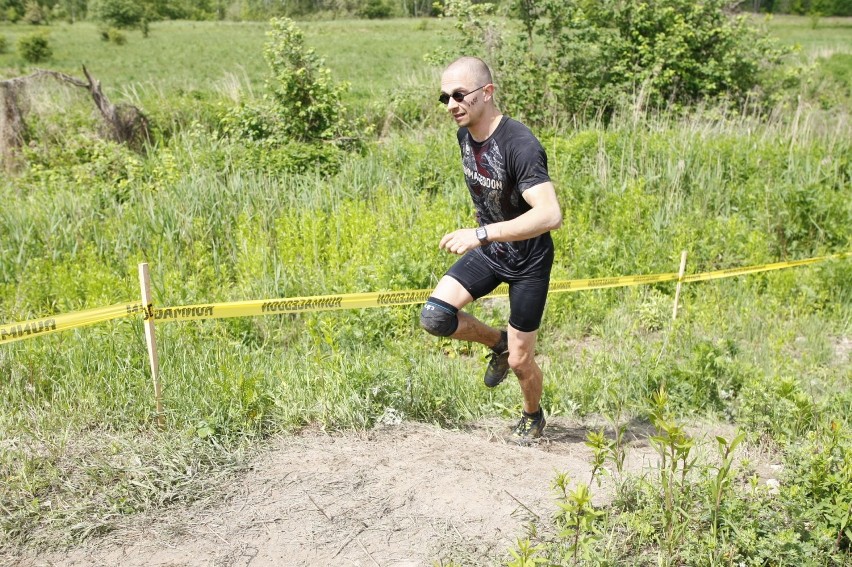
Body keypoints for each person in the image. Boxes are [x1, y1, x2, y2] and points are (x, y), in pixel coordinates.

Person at [420, 56, 562, 441]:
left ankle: (532, 416)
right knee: (435, 317)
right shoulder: (464, 135)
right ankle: (497, 342)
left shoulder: (521, 144)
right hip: (492, 252)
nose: (451, 105)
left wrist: (481, 234)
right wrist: (486, 235)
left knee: (521, 362)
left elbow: (551, 214)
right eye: (445, 97)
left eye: (459, 95)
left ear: (487, 92)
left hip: (529, 261)